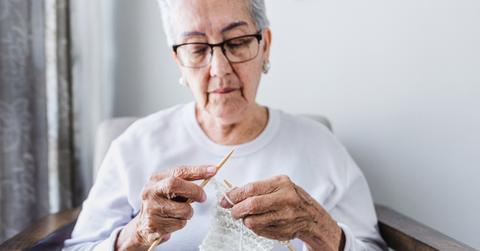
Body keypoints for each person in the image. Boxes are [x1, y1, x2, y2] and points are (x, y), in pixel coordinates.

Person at [63, 0, 387, 250]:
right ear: (179, 60)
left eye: (236, 42)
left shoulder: (320, 148)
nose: (219, 69)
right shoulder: (135, 147)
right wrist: (138, 232)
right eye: (198, 49)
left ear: (265, 46)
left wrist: (317, 227)